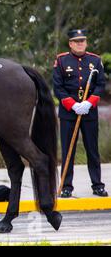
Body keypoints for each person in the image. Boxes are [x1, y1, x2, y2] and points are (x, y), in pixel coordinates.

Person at [53, 29, 108, 198]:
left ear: (86, 42)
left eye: (82, 41)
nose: (80, 44)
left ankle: (97, 185)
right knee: (68, 149)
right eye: (76, 41)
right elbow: (58, 88)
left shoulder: (95, 60)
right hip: (69, 114)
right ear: (70, 43)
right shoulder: (61, 61)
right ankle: (67, 186)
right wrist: (73, 105)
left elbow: (100, 85)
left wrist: (88, 103)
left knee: (92, 149)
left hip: (89, 112)